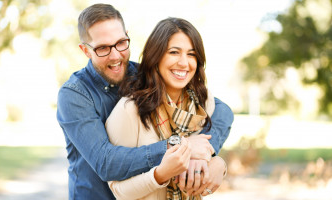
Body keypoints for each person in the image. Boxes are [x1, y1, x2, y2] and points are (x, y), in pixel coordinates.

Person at [56, 3, 234, 200]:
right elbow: (106, 163)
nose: (116, 56)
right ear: (85, 50)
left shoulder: (144, 76)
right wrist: (181, 147)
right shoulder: (74, 94)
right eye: (103, 48)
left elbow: (222, 110)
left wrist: (210, 154)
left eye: (121, 43)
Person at [106, 17, 227, 200]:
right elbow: (118, 190)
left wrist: (218, 163)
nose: (184, 63)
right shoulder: (129, 110)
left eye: (192, 54)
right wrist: (161, 174)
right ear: (156, 56)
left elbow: (204, 149)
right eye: (174, 52)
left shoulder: (203, 102)